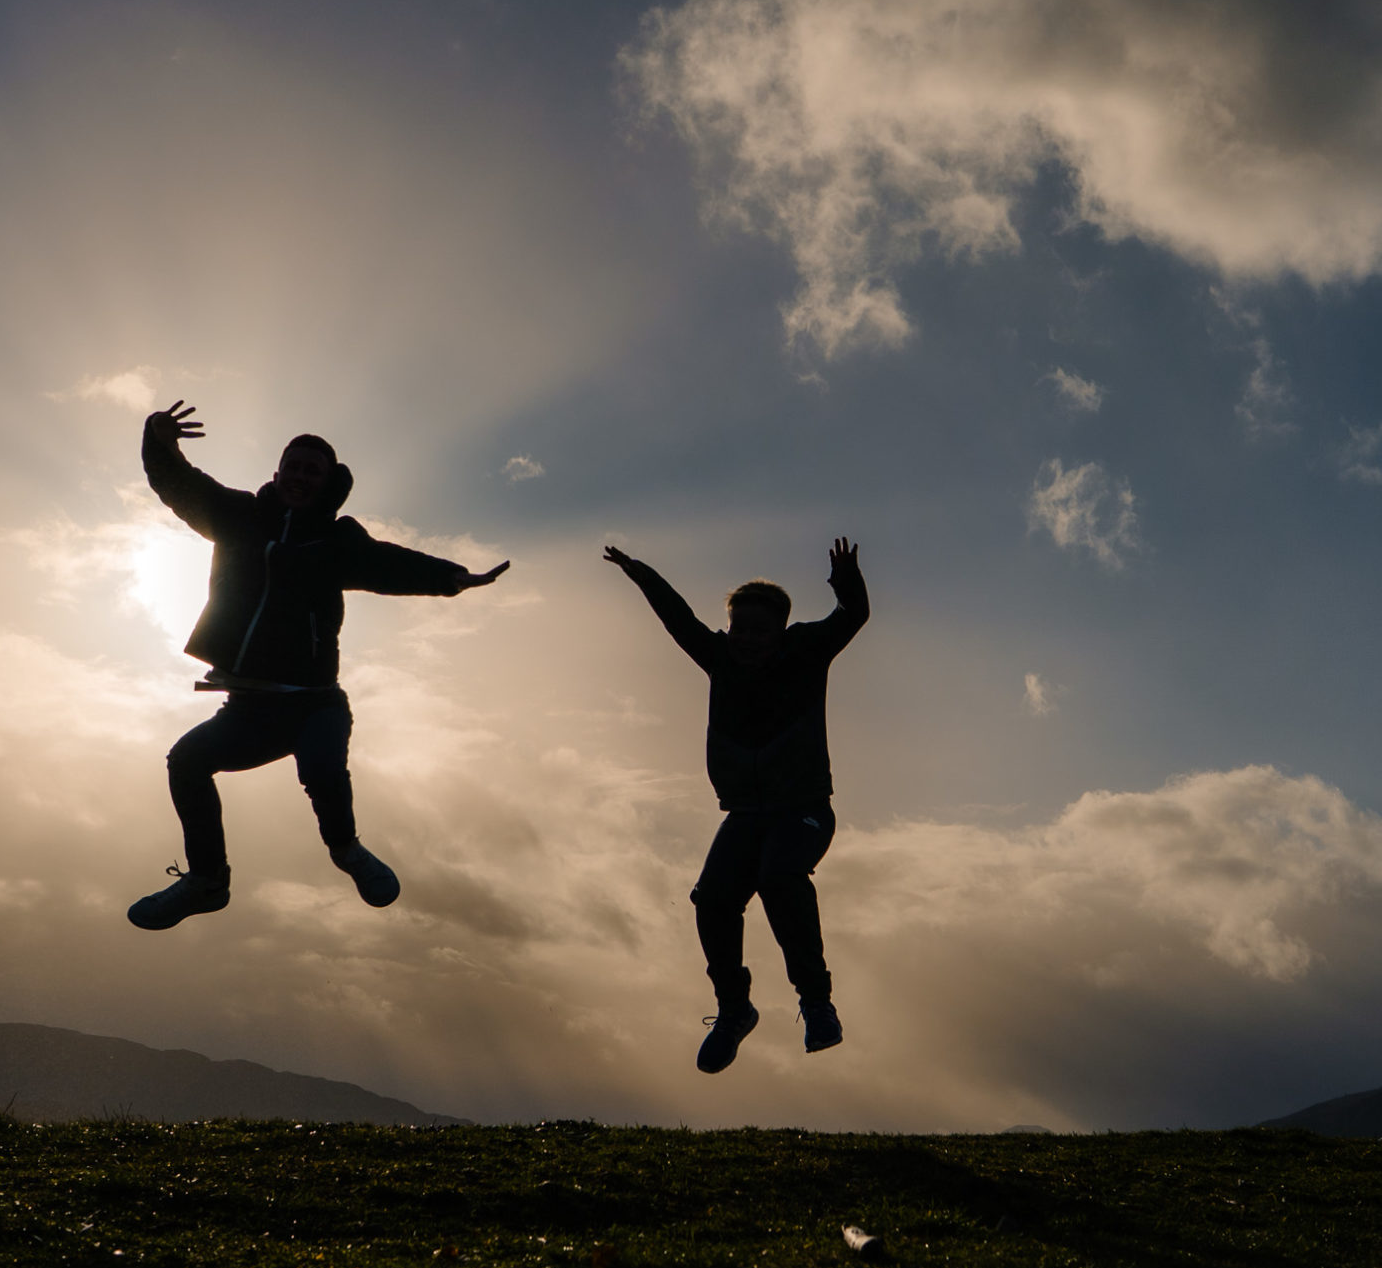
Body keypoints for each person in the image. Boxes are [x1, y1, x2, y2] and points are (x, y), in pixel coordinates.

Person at [127, 401, 509, 930]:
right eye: (294, 467)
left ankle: (347, 849)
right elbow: (178, 484)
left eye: (313, 471)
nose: (301, 478)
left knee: (321, 768)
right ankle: (207, 880)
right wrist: (157, 436)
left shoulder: (337, 542)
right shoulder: (235, 517)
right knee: (187, 762)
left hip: (315, 705)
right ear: (277, 472)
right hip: (249, 708)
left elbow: (389, 564)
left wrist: (452, 577)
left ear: (328, 483)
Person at [604, 537, 868, 1072]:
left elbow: (853, 614)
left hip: (803, 810)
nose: (746, 639)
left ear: (781, 631)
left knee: (779, 879)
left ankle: (817, 1004)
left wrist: (845, 582)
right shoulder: (719, 660)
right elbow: (678, 618)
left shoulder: (807, 653)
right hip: (745, 815)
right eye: (738, 628)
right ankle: (734, 1009)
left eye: (758, 630)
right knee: (712, 901)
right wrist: (641, 574)